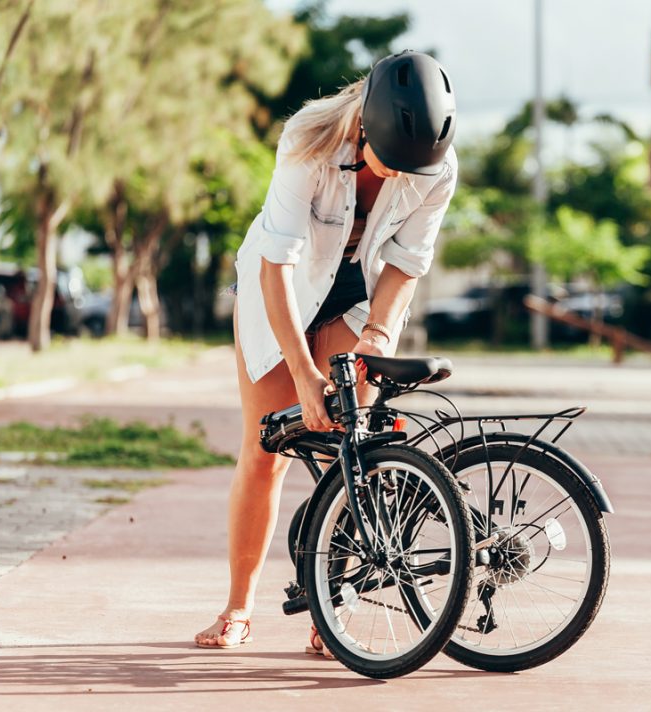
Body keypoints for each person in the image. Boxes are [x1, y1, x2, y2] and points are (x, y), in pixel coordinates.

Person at [194, 50, 457, 650]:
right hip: (278, 287)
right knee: (269, 445)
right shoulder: (308, 138)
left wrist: (378, 337)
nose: (396, 177)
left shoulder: (437, 165)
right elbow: (277, 264)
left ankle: (328, 606)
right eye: (389, 164)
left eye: (408, 170)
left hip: (358, 292)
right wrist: (304, 374)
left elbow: (406, 264)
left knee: (352, 446)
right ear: (365, 126)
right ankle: (238, 608)